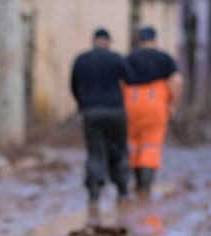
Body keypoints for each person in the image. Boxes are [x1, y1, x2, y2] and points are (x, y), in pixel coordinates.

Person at [71, 28, 130, 217]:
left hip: (91, 112)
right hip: (116, 111)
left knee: (95, 152)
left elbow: (73, 85)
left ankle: (94, 197)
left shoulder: (81, 59)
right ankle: (122, 192)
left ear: (94, 40)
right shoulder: (117, 58)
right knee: (119, 150)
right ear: (108, 41)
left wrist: (83, 104)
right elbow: (130, 79)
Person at [122, 26, 182, 197]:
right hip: (155, 104)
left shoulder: (129, 57)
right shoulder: (164, 58)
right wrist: (173, 104)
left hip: (130, 104)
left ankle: (133, 184)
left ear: (139, 41)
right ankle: (145, 188)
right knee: (151, 145)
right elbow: (177, 81)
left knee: (132, 145)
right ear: (155, 40)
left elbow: (120, 81)